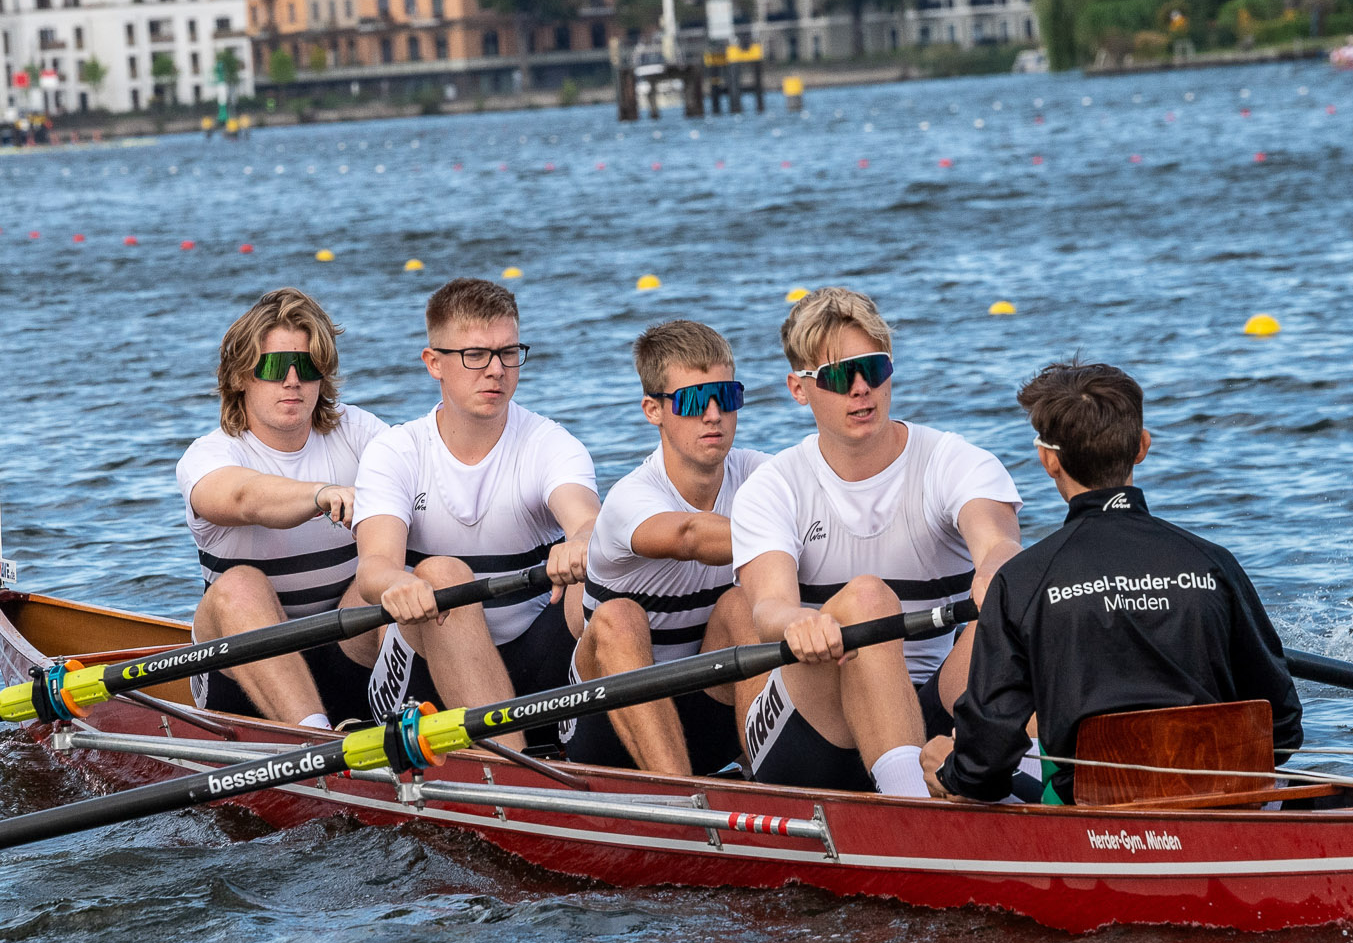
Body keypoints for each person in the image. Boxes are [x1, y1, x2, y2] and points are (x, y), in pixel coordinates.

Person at [925, 361, 1303, 803]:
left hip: (1095, 816)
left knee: (942, 762)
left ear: (1049, 459)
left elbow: (984, 766)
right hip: (1225, 803)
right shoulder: (1214, 563)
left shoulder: (1023, 581)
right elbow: (1283, 726)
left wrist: (951, 772)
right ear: (1141, 447)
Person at [730, 287, 1023, 795]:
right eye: (840, 375)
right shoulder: (774, 486)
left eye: (876, 368)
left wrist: (996, 570)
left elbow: (996, 542)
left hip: (930, 703)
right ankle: (915, 806)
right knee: (866, 599)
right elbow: (769, 608)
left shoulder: (954, 461)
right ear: (799, 389)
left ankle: (1050, 779)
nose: (862, 388)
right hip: (815, 721)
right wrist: (801, 622)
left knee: (1017, 606)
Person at [349, 277, 600, 742]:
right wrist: (400, 582)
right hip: (423, 672)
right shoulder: (396, 452)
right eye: (475, 355)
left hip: (534, 660)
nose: (496, 370)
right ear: (433, 363)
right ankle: (513, 768)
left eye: (508, 352)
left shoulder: (550, 444)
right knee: (442, 574)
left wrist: (583, 542)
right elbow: (374, 569)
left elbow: (585, 519)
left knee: (597, 582)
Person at [176, 287, 388, 728]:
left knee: (403, 575)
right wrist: (320, 495)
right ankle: (313, 740)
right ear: (239, 377)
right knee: (240, 586)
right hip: (241, 674)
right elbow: (243, 498)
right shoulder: (210, 455)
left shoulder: (360, 432)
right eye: (274, 367)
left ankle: (439, 730)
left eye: (308, 366)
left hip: (346, 652)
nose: (293, 380)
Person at [564, 321, 764, 776]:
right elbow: (689, 536)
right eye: (694, 401)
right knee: (619, 617)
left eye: (726, 396)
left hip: (704, 712)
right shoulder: (630, 499)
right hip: (606, 724)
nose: (713, 414)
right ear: (653, 410)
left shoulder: (760, 476)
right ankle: (682, 801)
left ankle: (772, 776)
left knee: (743, 603)